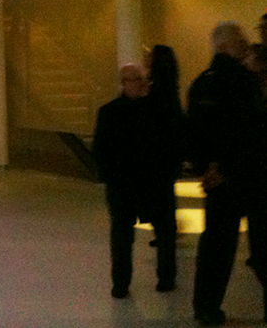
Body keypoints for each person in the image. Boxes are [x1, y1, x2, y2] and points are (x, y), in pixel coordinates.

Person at [188, 22, 267, 326]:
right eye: (240, 40)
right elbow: (251, 134)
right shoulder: (245, 83)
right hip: (253, 176)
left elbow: (194, 132)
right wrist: (229, 167)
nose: (246, 44)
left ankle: (205, 306)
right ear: (228, 46)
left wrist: (205, 168)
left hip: (218, 181)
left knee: (216, 246)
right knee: (262, 245)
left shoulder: (201, 84)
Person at [93, 62, 175, 297]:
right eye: (136, 79)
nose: (141, 84)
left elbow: (170, 144)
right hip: (125, 184)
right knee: (124, 235)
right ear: (124, 83)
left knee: (162, 231)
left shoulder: (157, 110)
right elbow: (101, 150)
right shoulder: (111, 112)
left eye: (142, 79)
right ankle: (121, 282)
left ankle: (165, 277)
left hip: (151, 182)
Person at [143, 45, 184, 290]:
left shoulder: (155, 93)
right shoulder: (170, 92)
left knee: (163, 215)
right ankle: (166, 272)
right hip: (166, 163)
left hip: (155, 163)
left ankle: (166, 274)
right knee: (165, 211)